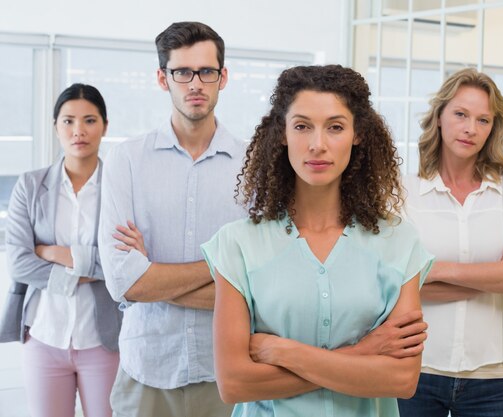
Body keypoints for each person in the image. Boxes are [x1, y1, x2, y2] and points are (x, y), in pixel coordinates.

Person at [200, 64, 433, 417]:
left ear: (358, 135)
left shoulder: (399, 242)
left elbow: (401, 379)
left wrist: (282, 352)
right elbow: (234, 383)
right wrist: (363, 353)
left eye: (335, 127)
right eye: (302, 126)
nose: (317, 145)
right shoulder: (237, 245)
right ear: (282, 133)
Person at [98, 22, 246, 417]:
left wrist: (153, 277)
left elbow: (259, 290)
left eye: (206, 72)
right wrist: (221, 264)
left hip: (228, 375)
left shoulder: (254, 167)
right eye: (182, 72)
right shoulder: (126, 160)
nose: (195, 83)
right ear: (163, 79)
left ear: (223, 77)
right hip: (146, 369)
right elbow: (122, 282)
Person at [399, 68, 503, 417]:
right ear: (439, 117)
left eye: (483, 120)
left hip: (492, 380)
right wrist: (499, 274)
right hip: (416, 370)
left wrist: (434, 270)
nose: (470, 128)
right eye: (461, 114)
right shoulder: (403, 194)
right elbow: (396, 287)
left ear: (493, 128)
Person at [0, 83, 121, 417]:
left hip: (104, 338)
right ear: (55, 126)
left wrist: (57, 253)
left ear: (105, 126)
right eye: (68, 121)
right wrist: (89, 268)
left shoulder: (120, 186)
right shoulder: (30, 185)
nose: (78, 130)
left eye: (89, 120)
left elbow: (123, 261)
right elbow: (21, 264)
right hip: (44, 336)